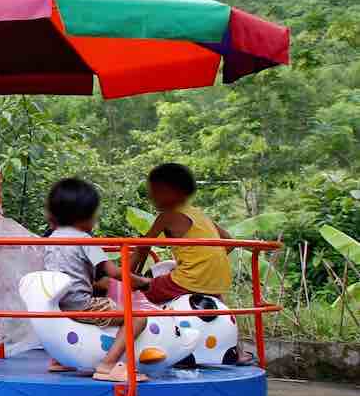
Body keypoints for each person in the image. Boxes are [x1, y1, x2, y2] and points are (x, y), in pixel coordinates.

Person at [130, 162, 254, 363]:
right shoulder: (198, 214)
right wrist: (206, 261)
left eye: (155, 191)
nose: (151, 197)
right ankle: (237, 352)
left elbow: (142, 248)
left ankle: (148, 344)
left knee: (142, 293)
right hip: (215, 280)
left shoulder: (167, 216)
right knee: (221, 308)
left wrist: (125, 278)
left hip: (188, 279)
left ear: (174, 192)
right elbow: (228, 239)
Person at [44, 177, 152, 383]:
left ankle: (60, 358)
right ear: (84, 215)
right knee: (137, 317)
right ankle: (107, 365)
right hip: (81, 305)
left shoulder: (51, 239)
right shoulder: (85, 240)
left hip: (57, 304)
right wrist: (141, 282)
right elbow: (114, 272)